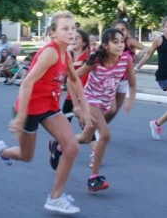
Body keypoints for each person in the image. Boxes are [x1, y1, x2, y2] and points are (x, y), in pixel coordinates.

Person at [0, 11, 92, 214]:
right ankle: (3, 152)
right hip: (29, 109)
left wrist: (82, 107)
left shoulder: (66, 53)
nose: (71, 32)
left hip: (49, 107)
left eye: (73, 28)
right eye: (65, 28)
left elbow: (74, 79)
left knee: (71, 147)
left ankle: (55, 197)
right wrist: (20, 116)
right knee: (26, 155)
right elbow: (28, 81)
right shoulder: (51, 52)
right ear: (53, 33)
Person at [52, 28, 136, 192]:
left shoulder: (126, 59)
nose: (120, 46)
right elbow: (71, 79)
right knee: (105, 134)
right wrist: (77, 105)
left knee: (84, 138)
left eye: (121, 42)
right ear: (105, 45)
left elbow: (132, 84)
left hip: (104, 102)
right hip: (90, 100)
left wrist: (130, 101)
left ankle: (59, 146)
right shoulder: (97, 60)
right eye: (115, 42)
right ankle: (94, 178)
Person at [61, 29, 95, 167]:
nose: (74, 40)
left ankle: (95, 154)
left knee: (86, 127)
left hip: (83, 97)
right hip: (70, 96)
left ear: (84, 42)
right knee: (62, 124)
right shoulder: (67, 56)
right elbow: (64, 77)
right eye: (72, 38)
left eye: (77, 38)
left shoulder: (88, 57)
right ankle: (62, 148)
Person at [105, 19, 148, 123]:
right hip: (112, 79)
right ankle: (96, 128)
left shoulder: (130, 41)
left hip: (124, 80)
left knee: (114, 112)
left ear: (127, 31)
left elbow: (147, 49)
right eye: (117, 29)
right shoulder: (110, 43)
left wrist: (142, 52)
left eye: (122, 29)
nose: (120, 31)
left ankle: (100, 129)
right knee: (110, 108)